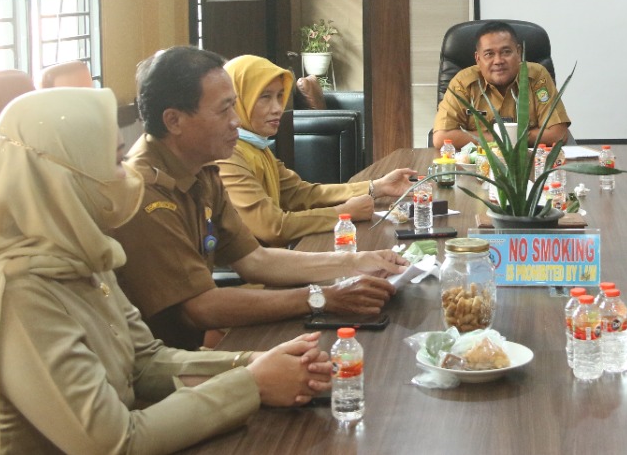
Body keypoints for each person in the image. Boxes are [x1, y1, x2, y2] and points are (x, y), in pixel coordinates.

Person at [0, 87, 333, 454]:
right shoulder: (17, 293)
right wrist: (251, 384)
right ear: (63, 180)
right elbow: (113, 442)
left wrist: (256, 363)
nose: (128, 178)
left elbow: (143, 362)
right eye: (117, 163)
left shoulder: (79, 254)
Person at [111, 46, 407, 349]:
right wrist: (321, 297)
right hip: (155, 368)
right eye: (223, 109)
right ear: (174, 121)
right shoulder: (143, 191)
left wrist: (357, 262)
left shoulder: (201, 169)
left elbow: (254, 259)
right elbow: (198, 308)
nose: (235, 120)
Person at [217, 54, 412, 246]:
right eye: (265, 97)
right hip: (249, 273)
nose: (277, 108)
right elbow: (272, 228)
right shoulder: (227, 156)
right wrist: (343, 213)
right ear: (237, 100)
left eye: (279, 96)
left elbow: (301, 194)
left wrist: (376, 187)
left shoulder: (256, 146)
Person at [432, 21, 571, 149]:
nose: (498, 61)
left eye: (506, 52)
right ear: (478, 59)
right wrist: (503, 139)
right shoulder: (463, 83)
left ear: (518, 52)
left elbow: (558, 134)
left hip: (529, 165)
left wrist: (501, 138)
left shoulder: (537, 77)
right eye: (489, 54)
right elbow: (441, 137)